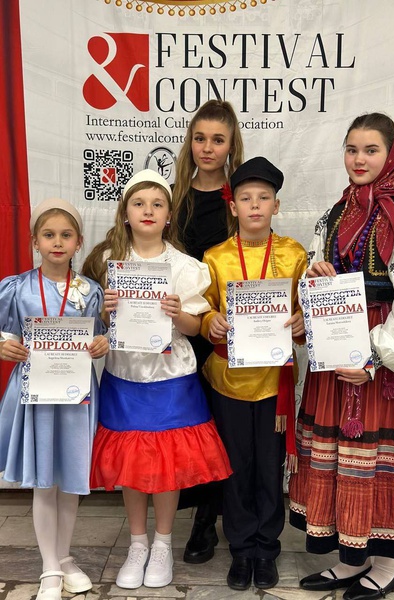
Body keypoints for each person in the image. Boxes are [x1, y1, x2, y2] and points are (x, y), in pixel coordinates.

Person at [288, 113, 394, 600]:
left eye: (371, 150)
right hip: (336, 354)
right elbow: (318, 281)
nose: (359, 159)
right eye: (352, 149)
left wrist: (373, 356)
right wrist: (316, 279)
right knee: (340, 456)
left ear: (392, 153)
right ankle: (352, 559)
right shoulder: (335, 212)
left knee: (374, 454)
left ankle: (387, 564)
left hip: (380, 358)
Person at [83, 169, 232, 589]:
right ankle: (137, 543)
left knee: (167, 462)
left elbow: (194, 327)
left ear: (169, 215)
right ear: (125, 213)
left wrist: (177, 313)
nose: (148, 211)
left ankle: (163, 543)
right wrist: (105, 310)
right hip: (125, 373)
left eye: (157, 204)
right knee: (132, 462)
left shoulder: (185, 267)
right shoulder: (107, 261)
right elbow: (94, 324)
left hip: (171, 375)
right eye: (138, 203)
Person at [201, 156, 307, 591]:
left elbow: (305, 311)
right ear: (233, 207)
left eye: (264, 198)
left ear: (276, 206)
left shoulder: (294, 255)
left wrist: (302, 323)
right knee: (236, 467)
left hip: (273, 386)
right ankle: (241, 548)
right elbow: (202, 309)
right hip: (229, 381)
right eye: (246, 198)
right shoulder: (215, 258)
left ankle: (267, 547)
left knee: (269, 467)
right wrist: (211, 322)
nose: (256, 205)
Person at [0, 198, 109, 600]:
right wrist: (2, 346)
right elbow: (4, 332)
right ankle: (49, 567)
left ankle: (63, 557)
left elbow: (100, 334)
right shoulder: (16, 288)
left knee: (71, 478)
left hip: (76, 395)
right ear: (35, 241)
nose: (57, 242)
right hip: (36, 394)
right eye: (49, 235)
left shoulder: (91, 291)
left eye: (66, 235)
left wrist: (102, 343)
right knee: (44, 478)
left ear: (79, 242)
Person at [171, 99, 244, 564]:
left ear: (231, 145)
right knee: (191, 422)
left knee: (222, 421)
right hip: (179, 326)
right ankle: (197, 510)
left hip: (223, 325)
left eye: (218, 139)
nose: (208, 147)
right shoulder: (172, 195)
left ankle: (212, 517)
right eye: (200, 138)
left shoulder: (239, 199)